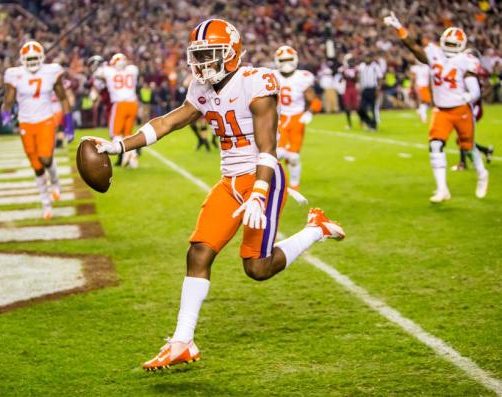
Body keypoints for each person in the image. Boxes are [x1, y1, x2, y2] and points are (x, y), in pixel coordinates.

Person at [83, 18, 345, 371]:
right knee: (199, 252)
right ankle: (182, 342)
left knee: (257, 268)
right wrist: (118, 145)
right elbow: (169, 121)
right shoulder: (201, 87)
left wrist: (259, 193)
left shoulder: (256, 81)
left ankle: (317, 228)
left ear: (232, 53)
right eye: (199, 55)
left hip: (262, 176)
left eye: (211, 55)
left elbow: (269, 147)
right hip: (229, 182)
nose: (203, 63)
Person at [384, 13, 489, 202]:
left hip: (460, 110)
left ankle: (482, 174)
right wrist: (399, 27)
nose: (449, 48)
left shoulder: (466, 61)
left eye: (452, 45)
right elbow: (414, 47)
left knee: (468, 148)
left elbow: (475, 90)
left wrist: (465, 96)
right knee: (435, 145)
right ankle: (442, 189)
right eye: (447, 44)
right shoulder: (434, 55)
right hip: (441, 110)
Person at [1, 41, 74, 219]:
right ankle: (45, 203)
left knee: (46, 158)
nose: (33, 62)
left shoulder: (51, 72)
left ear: (42, 58)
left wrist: (69, 124)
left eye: (35, 58)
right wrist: (5, 114)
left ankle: (55, 183)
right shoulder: (14, 75)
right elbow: (8, 100)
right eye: (29, 58)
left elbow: (63, 98)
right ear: (22, 59)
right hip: (26, 123)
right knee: (37, 167)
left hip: (45, 120)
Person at [273, 45, 322, 190]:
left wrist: (309, 113)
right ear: (277, 61)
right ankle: (273, 184)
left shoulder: (302, 77)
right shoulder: (272, 76)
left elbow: (316, 101)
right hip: (279, 118)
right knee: (277, 154)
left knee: (293, 157)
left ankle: (295, 185)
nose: (286, 63)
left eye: (289, 59)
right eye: (283, 60)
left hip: (296, 119)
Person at [95, 53, 140, 168]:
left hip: (120, 104)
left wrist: (104, 65)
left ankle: (122, 152)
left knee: (115, 133)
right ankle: (132, 155)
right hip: (133, 104)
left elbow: (97, 74)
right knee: (128, 133)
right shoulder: (132, 70)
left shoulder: (109, 71)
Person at [357, 53, 383, 131]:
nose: (367, 59)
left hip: (372, 89)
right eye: (366, 58)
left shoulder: (375, 66)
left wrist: (378, 89)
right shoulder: (361, 66)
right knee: (361, 109)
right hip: (364, 89)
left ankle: (374, 126)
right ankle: (368, 122)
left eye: (368, 58)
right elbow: (359, 77)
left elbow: (380, 78)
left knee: (373, 108)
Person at [338, 54, 359, 129]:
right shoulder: (344, 69)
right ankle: (350, 124)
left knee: (357, 107)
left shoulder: (355, 69)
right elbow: (340, 80)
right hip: (347, 89)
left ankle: (362, 122)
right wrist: (344, 75)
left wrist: (348, 76)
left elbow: (356, 79)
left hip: (353, 88)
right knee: (347, 107)